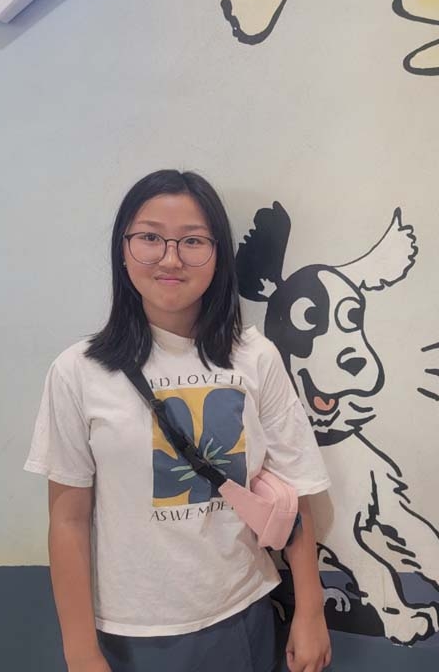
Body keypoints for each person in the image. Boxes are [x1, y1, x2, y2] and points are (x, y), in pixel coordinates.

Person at [25, 170, 331, 672]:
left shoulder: (255, 357)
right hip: (129, 632)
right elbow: (68, 519)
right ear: (123, 250)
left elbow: (294, 490)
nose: (170, 258)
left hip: (242, 613)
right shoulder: (78, 371)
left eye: (192, 241)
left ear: (218, 255)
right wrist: (80, 650)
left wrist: (311, 611)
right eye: (150, 238)